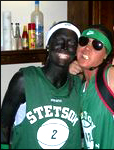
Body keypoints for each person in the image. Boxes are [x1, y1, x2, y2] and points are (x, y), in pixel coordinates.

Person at [1, 21, 83, 149]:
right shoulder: (24, 80)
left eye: (72, 43)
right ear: (48, 45)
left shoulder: (79, 86)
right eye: (58, 40)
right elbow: (3, 126)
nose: (65, 46)